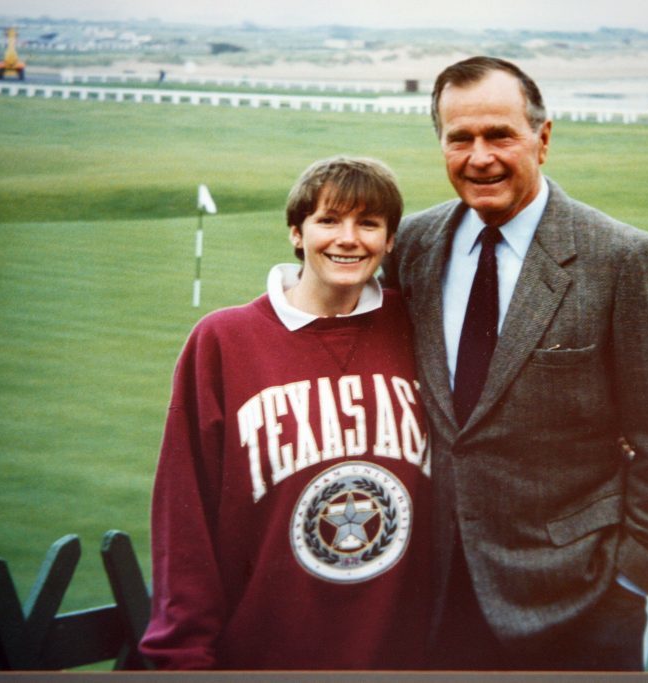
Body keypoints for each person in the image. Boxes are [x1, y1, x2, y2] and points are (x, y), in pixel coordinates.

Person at [381, 56, 648, 671]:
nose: (480, 157)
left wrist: (632, 582)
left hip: (579, 603)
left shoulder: (625, 260)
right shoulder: (413, 246)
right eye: (460, 139)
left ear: (543, 138)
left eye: (500, 135)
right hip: (437, 594)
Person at [141, 156, 432, 669]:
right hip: (266, 656)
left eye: (369, 224)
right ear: (296, 233)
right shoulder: (224, 342)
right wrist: (182, 656)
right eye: (328, 220)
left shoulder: (420, 325)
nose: (348, 239)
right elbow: (184, 519)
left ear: (390, 242)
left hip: (404, 659)